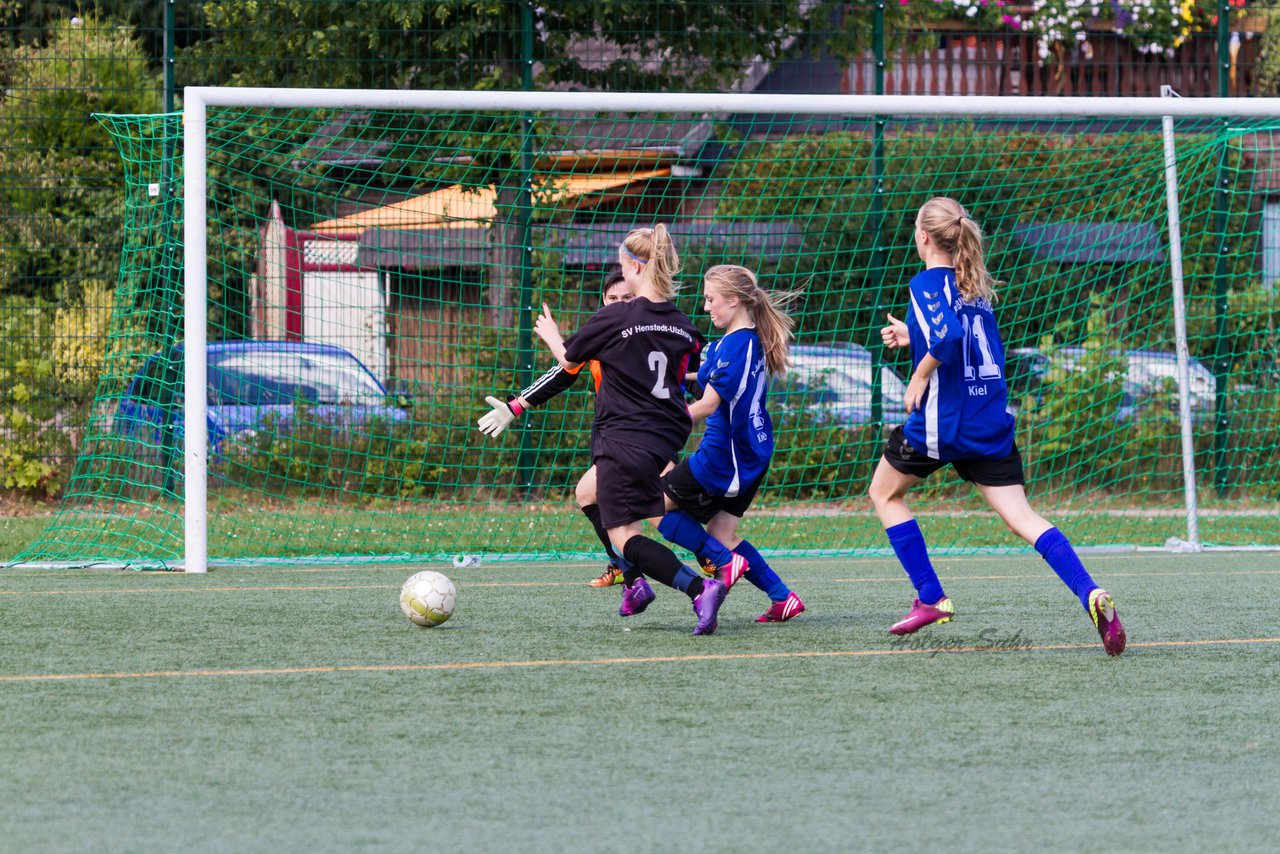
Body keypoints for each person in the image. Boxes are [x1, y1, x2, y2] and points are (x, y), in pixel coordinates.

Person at [868, 196, 1126, 656]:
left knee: (884, 494)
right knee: (1025, 519)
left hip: (943, 424)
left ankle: (931, 597)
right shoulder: (974, 289)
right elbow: (962, 340)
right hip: (990, 422)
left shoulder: (926, 280)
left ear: (923, 236)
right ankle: (1090, 592)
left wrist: (919, 372)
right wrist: (912, 337)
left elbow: (947, 337)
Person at [534, 224, 738, 636]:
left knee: (626, 537)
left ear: (634, 266)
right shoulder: (685, 326)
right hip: (664, 438)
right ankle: (638, 586)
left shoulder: (617, 316)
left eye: (622, 265)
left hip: (623, 436)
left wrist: (552, 336)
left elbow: (571, 361)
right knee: (587, 492)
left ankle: (700, 588)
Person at [655, 264, 806, 623]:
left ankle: (724, 563)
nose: (706, 307)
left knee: (651, 507)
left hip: (725, 456)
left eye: (710, 299)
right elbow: (708, 380)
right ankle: (782, 598)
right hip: (753, 451)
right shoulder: (746, 340)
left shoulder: (733, 346)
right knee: (722, 531)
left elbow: (708, 405)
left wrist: (661, 421)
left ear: (734, 300)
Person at [477, 270, 635, 588]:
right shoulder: (602, 331)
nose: (619, 304)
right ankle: (625, 565)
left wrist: (553, 338)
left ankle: (702, 563)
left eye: (627, 298)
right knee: (595, 496)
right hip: (611, 428)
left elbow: (566, 360)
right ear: (603, 302)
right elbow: (564, 371)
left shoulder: (647, 331)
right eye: (612, 298)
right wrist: (515, 406)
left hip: (645, 430)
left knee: (658, 500)